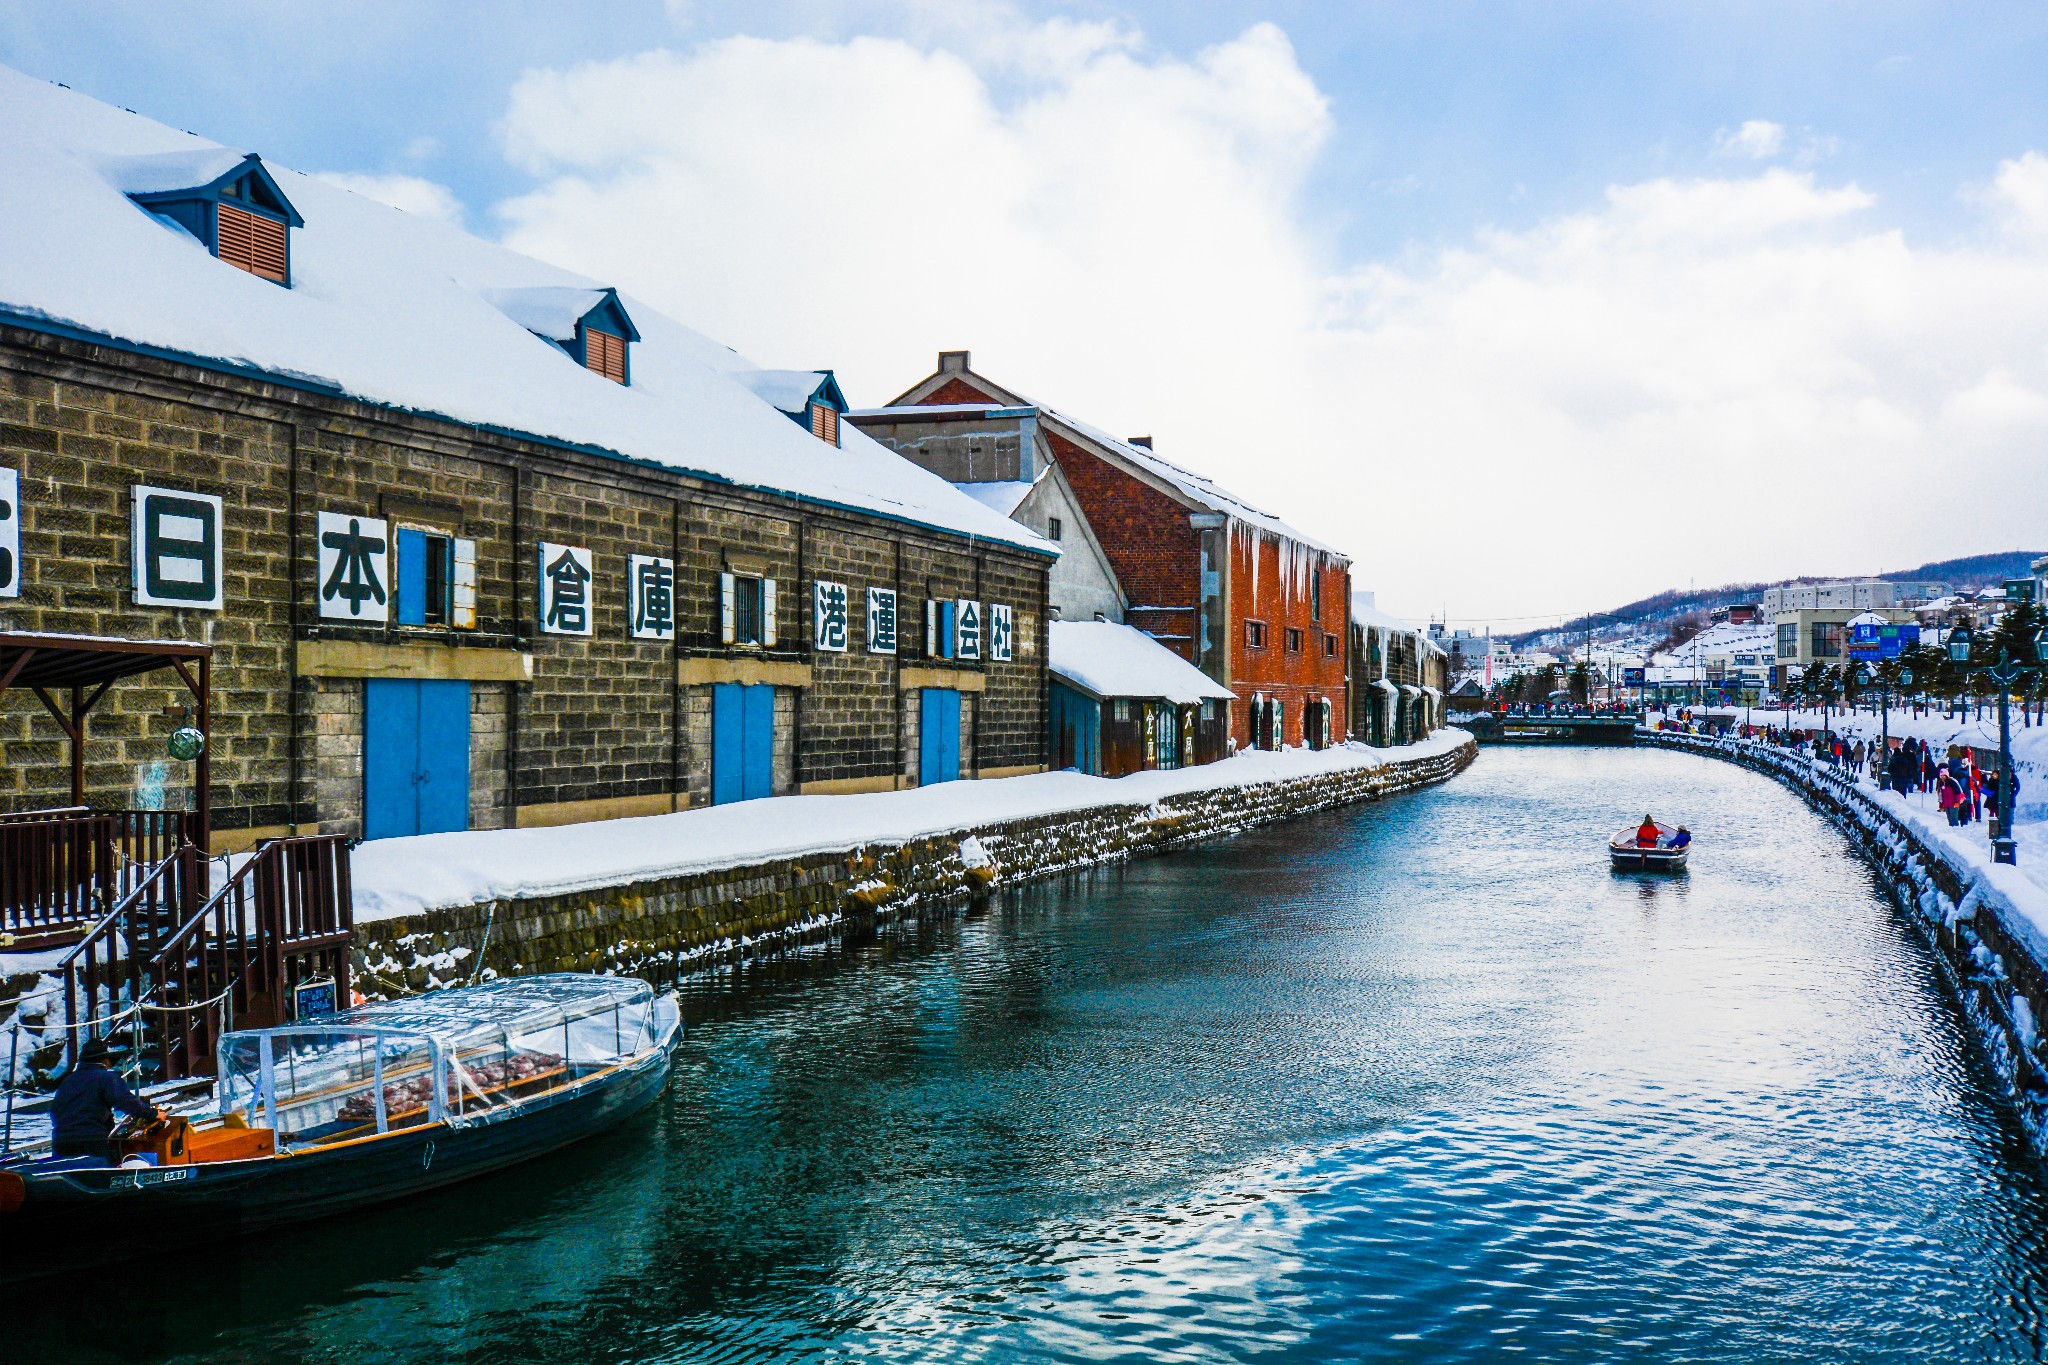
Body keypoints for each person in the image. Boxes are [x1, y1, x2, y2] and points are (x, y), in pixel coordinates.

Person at [51, 1037, 162, 1163]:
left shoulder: (67, 1081)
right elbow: (125, 1100)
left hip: (60, 1141)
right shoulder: (105, 1078)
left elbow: (55, 1111)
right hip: (91, 1142)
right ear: (105, 1061)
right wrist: (153, 1114)